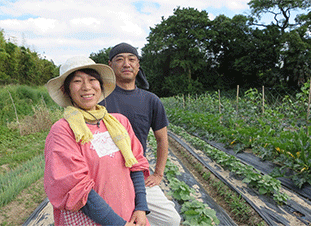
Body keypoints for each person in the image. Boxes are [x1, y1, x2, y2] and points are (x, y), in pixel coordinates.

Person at [44, 56, 151, 226]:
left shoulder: (119, 122)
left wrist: (141, 208)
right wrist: (117, 224)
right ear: (67, 90)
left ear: (100, 85)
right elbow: (76, 186)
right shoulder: (63, 130)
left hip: (129, 214)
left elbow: (136, 165)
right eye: (77, 81)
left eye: (92, 79)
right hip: (96, 220)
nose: (86, 87)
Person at [99, 43, 181, 226]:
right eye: (120, 59)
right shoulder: (100, 99)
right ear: (110, 65)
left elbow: (162, 139)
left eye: (131, 59)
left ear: (138, 65)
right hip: (107, 175)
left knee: (171, 220)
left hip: (138, 174)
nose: (126, 64)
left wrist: (158, 174)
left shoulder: (151, 100)